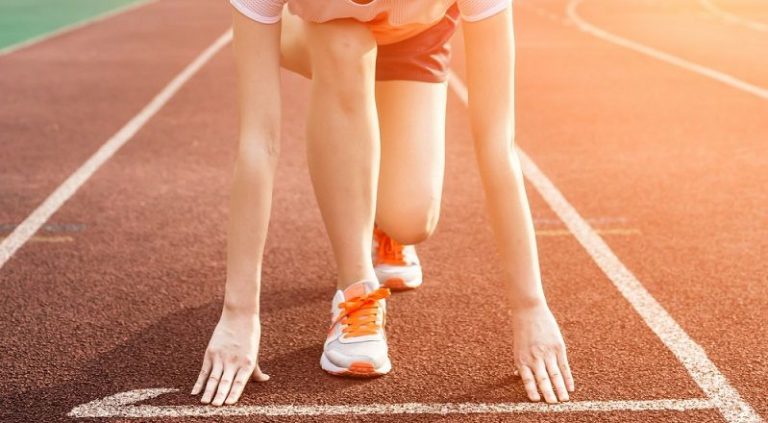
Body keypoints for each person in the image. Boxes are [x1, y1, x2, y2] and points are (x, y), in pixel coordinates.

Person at [191, 0, 575, 407]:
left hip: (413, 38)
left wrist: (530, 307)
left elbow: (498, 144)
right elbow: (259, 143)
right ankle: (355, 288)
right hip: (319, 32)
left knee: (410, 220)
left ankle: (380, 218)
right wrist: (238, 313)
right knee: (345, 45)